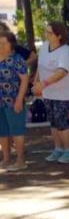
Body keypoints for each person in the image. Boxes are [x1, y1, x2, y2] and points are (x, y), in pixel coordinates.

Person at [32, 21, 69, 164]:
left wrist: (43, 84)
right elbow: (40, 67)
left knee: (61, 120)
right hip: (48, 92)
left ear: (59, 36)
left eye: (50, 33)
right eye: (46, 32)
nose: (46, 35)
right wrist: (36, 83)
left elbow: (62, 72)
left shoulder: (65, 51)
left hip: (64, 92)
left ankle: (68, 151)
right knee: (52, 121)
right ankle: (57, 149)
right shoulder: (44, 47)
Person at [0, 31, 29, 171]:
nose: (1, 46)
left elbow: (24, 80)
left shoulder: (17, 59)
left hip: (14, 100)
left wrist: (19, 99)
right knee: (3, 131)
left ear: (11, 44)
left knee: (17, 130)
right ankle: (6, 159)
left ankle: (20, 160)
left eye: (4, 43)